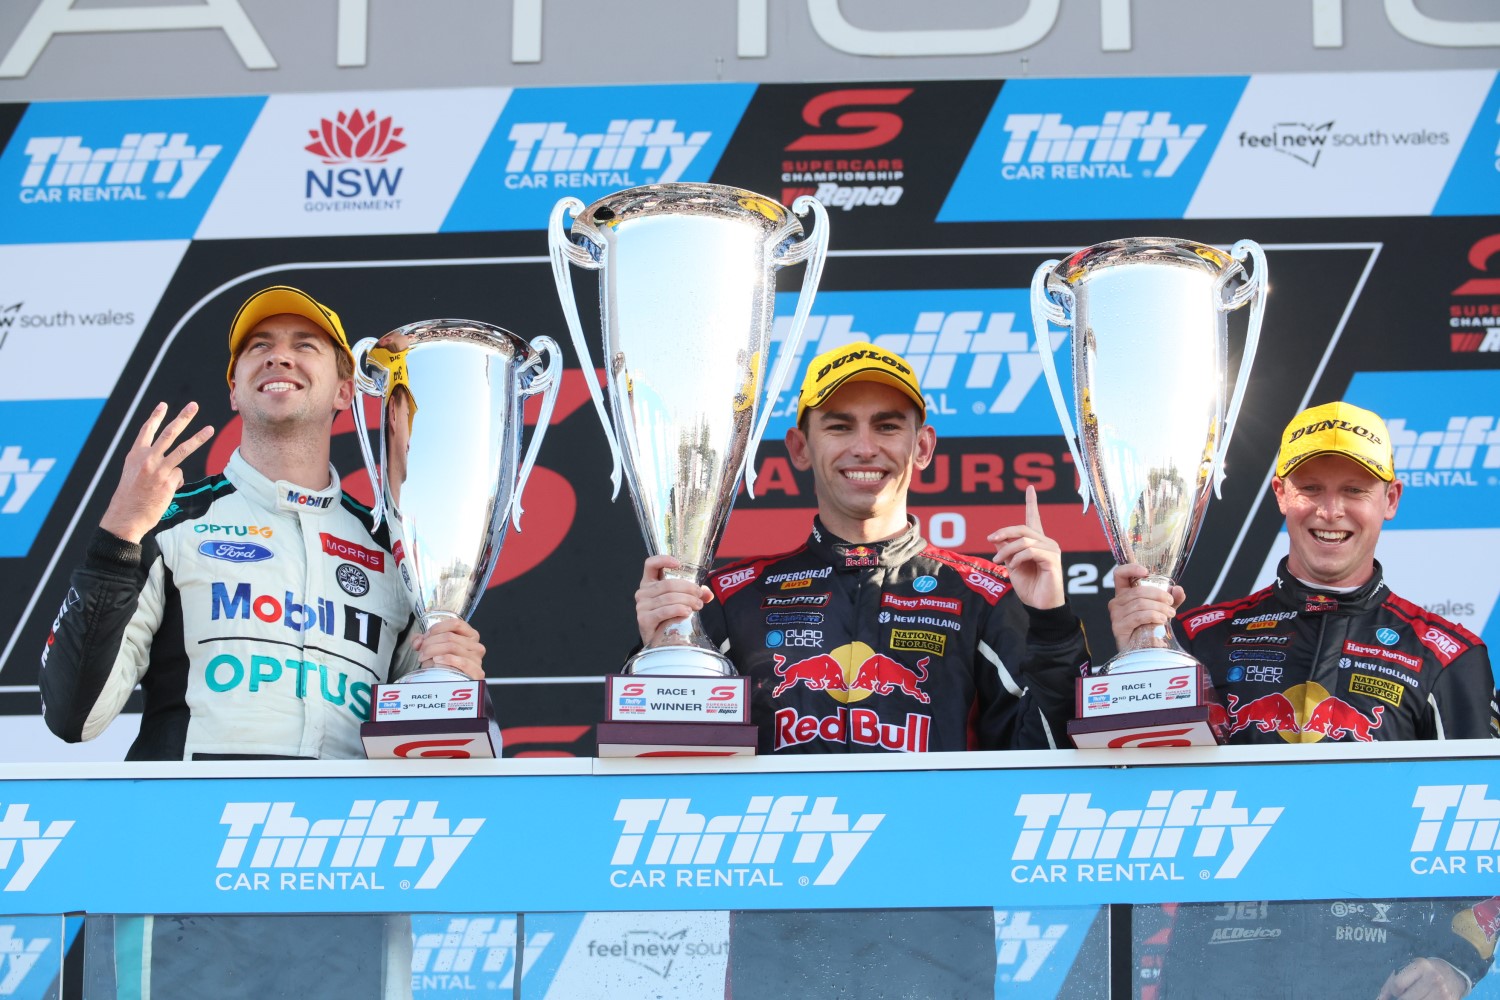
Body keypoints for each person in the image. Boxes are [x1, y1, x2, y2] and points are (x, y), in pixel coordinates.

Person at [39, 285, 486, 999]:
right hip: (178, 879)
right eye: (259, 347)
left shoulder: (402, 550)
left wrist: (452, 676)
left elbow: (431, 752)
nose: (280, 357)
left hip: (347, 883)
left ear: (346, 391)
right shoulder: (169, 520)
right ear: (236, 388)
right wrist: (117, 537)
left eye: (305, 345)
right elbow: (74, 716)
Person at [634, 341, 1092, 997]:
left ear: (923, 445)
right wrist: (656, 649)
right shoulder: (731, 598)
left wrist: (1050, 623)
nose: (864, 447)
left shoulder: (984, 596)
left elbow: (1053, 762)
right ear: (800, 447)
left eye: (887, 425)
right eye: (840, 425)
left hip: (937, 936)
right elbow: (656, 777)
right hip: (779, 934)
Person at [1109, 400, 1499, 1000]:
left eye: (1355, 489)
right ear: (1281, 494)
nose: (1331, 510)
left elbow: (1484, 828)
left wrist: (1456, 962)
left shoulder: (1446, 655)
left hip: (1381, 977)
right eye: (1311, 488)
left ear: (1389, 500)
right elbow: (1126, 790)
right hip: (1217, 967)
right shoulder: (1201, 638)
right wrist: (1133, 661)